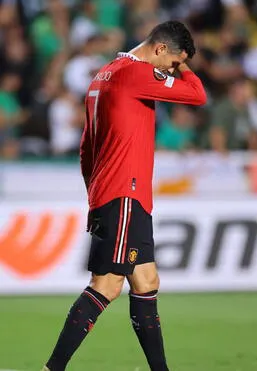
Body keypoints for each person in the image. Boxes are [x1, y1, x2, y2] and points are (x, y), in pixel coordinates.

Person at [43, 21, 207, 371]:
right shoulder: (135, 74)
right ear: (160, 48)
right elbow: (197, 94)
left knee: (147, 282)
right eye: (173, 62)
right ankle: (52, 368)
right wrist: (186, 67)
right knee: (106, 285)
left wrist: (95, 192)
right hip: (125, 194)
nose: (171, 71)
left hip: (114, 194)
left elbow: (86, 146)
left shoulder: (103, 74)